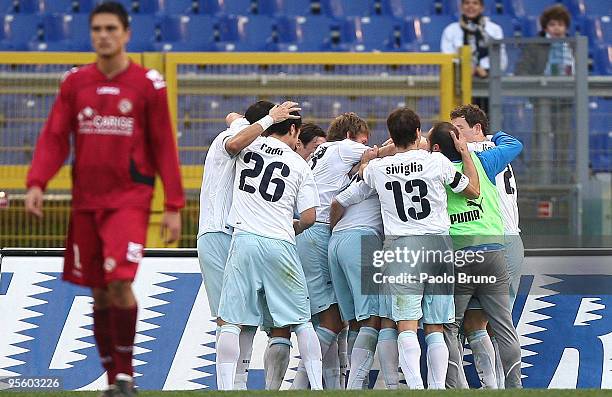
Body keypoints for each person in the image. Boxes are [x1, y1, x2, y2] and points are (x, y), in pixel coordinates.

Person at [24, 3, 184, 396]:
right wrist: (37, 181)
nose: (103, 35)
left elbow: (163, 144)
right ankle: (114, 381)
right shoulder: (75, 82)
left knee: (118, 280)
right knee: (97, 290)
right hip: (85, 204)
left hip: (129, 200)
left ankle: (126, 375)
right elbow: (55, 137)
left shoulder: (149, 83)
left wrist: (174, 206)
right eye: (96, 28)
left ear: (127, 33)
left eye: (111, 27)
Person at [360, 108, 480, 390]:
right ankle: (437, 388)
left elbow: (363, 172)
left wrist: (378, 155)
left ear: (391, 136)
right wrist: (465, 153)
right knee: (436, 325)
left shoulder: (378, 169)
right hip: (438, 244)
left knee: (406, 323)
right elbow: (473, 191)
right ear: (417, 133)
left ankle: (415, 387)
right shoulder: (437, 161)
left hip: (402, 248)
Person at [215, 106, 324, 391]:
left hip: (245, 240)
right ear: (292, 131)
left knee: (230, 321)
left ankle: (226, 389)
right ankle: (318, 387)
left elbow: (233, 125)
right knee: (301, 321)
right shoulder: (299, 164)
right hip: (281, 243)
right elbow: (310, 215)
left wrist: (266, 119)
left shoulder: (250, 141)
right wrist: (294, 226)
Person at [196, 101, 301, 390]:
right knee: (228, 317)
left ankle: (239, 382)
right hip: (218, 233)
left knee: (246, 317)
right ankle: (228, 385)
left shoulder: (250, 139)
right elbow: (236, 135)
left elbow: (236, 118)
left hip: (241, 237)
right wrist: (269, 120)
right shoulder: (232, 137)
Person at [427, 122, 523, 389]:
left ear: (435, 148)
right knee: (504, 326)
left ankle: (455, 388)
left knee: (449, 327)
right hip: (492, 252)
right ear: (459, 142)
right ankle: (514, 387)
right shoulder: (484, 160)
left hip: (457, 255)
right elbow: (515, 145)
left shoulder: (433, 170)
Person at [292, 112, 371, 390]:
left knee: (332, 317)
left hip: (307, 232)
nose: (366, 145)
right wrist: (367, 157)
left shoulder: (322, 152)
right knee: (334, 319)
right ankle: (299, 385)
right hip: (319, 230)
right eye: (363, 139)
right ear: (351, 136)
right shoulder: (343, 147)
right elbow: (381, 152)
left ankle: (333, 388)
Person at [328, 174, 384, 389]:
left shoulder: (363, 172)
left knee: (354, 320)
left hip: (337, 243)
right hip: (362, 239)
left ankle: (357, 385)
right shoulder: (378, 173)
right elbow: (337, 202)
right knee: (372, 318)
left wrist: (332, 231)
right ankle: (354, 387)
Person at [440, 0, 507, 79]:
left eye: (475, 3)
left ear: (482, 8)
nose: (470, 6)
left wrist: (485, 69)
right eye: (467, 3)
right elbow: (447, 58)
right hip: (458, 79)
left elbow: (501, 57)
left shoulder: (494, 29)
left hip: (490, 81)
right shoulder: (450, 30)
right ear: (461, 7)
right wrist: (465, 69)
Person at [515, 4, 574, 76]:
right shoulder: (533, 46)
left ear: (566, 28)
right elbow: (521, 71)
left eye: (560, 24)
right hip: (541, 85)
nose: (556, 28)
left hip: (571, 86)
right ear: (545, 28)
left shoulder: (574, 46)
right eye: (552, 25)